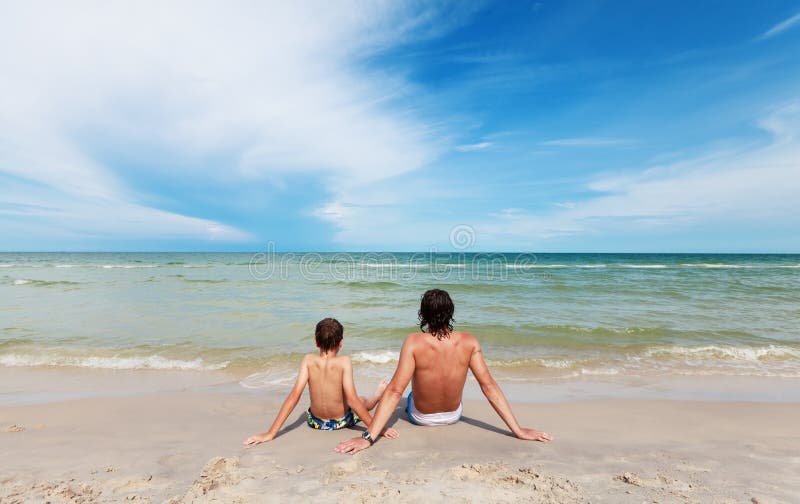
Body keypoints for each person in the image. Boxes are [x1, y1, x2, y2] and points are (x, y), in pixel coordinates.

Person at [335, 289, 551, 454]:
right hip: (453, 415)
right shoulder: (469, 342)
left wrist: (368, 438)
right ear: (451, 312)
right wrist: (518, 430)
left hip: (421, 417)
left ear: (423, 315)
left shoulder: (413, 342)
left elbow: (393, 392)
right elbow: (488, 386)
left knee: (404, 395)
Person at [244, 317, 398, 445]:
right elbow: (352, 400)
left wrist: (271, 433)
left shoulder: (308, 360)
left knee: (356, 401)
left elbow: (294, 396)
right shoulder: (344, 362)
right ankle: (376, 397)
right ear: (341, 343)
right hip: (341, 421)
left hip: (316, 422)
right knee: (362, 400)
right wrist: (377, 428)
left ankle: (376, 396)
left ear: (316, 342)